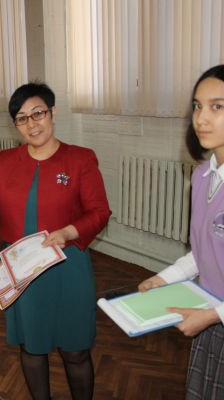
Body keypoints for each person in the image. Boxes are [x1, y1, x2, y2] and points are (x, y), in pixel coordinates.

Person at [0, 82, 111, 400]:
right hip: (22, 269)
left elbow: (99, 212)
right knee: (32, 347)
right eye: (22, 118)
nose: (31, 124)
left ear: (53, 113)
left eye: (38, 114)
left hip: (67, 263)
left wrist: (68, 232)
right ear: (15, 125)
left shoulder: (80, 159)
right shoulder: (6, 160)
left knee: (75, 351)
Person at [137, 65, 224, 400]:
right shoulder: (202, 176)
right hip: (210, 319)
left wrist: (212, 316)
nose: (201, 118)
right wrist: (164, 278)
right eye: (197, 106)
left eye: (217, 106)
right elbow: (204, 252)